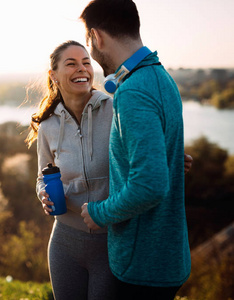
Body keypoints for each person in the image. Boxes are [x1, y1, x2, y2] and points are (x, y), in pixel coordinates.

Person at [79, 1, 191, 299]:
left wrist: (99, 213)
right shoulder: (160, 77)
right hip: (167, 258)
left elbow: (150, 185)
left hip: (142, 267)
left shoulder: (133, 91)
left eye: (89, 42)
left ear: (97, 37)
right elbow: (156, 160)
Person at [26, 40, 118, 300]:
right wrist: (43, 193)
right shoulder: (47, 126)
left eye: (86, 62)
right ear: (53, 76)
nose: (82, 69)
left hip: (111, 241)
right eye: (72, 64)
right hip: (64, 242)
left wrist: (169, 158)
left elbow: (142, 156)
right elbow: (42, 176)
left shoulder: (115, 110)